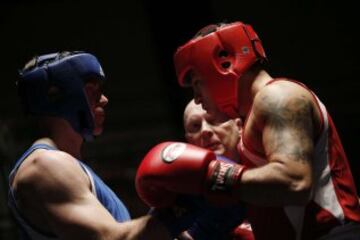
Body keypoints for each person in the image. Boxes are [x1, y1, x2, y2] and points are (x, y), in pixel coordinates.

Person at [136, 22, 360, 240]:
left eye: (197, 83)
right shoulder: (249, 122)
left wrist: (212, 177)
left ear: (223, 63)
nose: (196, 97)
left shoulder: (278, 96)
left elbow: (295, 183)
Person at [7, 51, 178, 240]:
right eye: (92, 91)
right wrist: (183, 208)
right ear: (59, 97)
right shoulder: (44, 166)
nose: (104, 100)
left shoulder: (71, 165)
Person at [182, 99, 254, 240]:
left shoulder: (272, 169)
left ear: (239, 127)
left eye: (214, 120)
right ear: (189, 142)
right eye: (195, 126)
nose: (205, 130)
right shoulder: (182, 197)